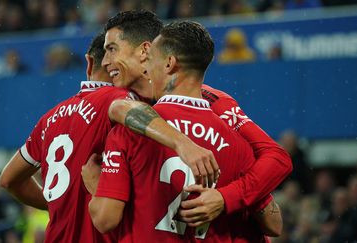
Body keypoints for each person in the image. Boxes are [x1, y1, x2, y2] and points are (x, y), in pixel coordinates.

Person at [0, 32, 218, 243]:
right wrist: (183, 142)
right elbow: (122, 108)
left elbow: (8, 180)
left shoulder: (49, 119)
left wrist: (60, 204)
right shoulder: (120, 97)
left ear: (87, 63)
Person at [97, 9, 292, 242]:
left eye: (111, 49)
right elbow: (273, 222)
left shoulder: (215, 102)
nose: (105, 62)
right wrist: (183, 143)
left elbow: (277, 158)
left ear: (146, 52)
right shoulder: (120, 106)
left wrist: (224, 197)